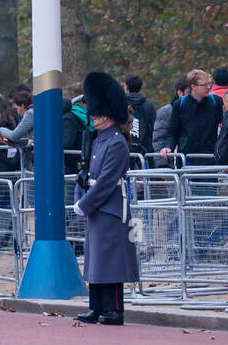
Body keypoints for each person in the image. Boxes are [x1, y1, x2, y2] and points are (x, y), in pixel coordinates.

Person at [73, 72, 139, 325]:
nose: (93, 116)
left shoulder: (116, 142)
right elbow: (88, 175)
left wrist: (85, 203)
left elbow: (107, 181)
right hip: (97, 207)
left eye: (97, 112)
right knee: (96, 260)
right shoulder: (100, 139)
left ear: (108, 113)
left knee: (110, 262)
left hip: (110, 208)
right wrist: (82, 196)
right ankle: (97, 306)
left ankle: (113, 310)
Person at [160, 68, 223, 161]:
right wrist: (168, 147)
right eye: (204, 85)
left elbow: (226, 127)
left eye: (210, 84)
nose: (209, 87)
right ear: (193, 87)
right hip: (186, 158)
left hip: (210, 157)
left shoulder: (216, 102)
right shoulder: (180, 104)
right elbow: (173, 131)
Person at [151, 76, 187, 157]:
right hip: (174, 163)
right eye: (189, 92)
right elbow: (159, 140)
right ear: (180, 93)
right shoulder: (166, 112)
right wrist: (163, 165)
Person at [123, 75, 156, 153]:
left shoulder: (121, 102)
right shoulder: (148, 104)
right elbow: (154, 126)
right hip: (145, 150)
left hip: (124, 149)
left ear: (126, 87)